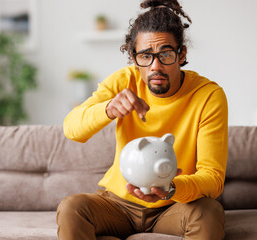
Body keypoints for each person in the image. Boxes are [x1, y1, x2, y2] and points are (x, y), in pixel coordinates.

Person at [57, 0, 228, 239]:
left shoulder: (208, 95)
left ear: (182, 54)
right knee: (72, 208)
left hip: (174, 204)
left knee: (209, 212)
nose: (155, 66)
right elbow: (72, 128)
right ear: (133, 57)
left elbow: (213, 178)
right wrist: (108, 108)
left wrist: (171, 189)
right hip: (118, 205)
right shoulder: (123, 82)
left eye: (166, 54)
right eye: (146, 56)